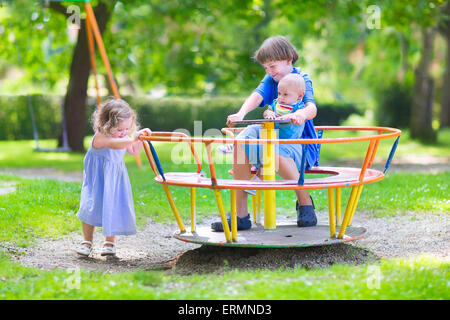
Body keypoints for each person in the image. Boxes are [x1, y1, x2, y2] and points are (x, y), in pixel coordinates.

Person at [211, 35, 319, 232]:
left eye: (272, 66)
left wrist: (301, 114)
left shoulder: (300, 80)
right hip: (271, 140)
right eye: (266, 68)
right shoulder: (272, 79)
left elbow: (311, 108)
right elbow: (257, 95)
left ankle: (305, 202)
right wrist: (241, 113)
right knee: (241, 145)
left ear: (288, 60)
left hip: (299, 145)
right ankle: (240, 214)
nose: (269, 72)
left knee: (274, 154)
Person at [76, 98, 151, 257]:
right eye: (119, 130)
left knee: (113, 204)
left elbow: (132, 150)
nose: (124, 133)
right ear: (106, 124)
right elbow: (116, 144)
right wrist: (132, 137)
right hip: (97, 177)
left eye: (127, 129)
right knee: (91, 205)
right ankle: (87, 241)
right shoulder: (101, 137)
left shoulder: (125, 136)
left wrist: (140, 140)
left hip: (114, 177)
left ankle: (109, 242)